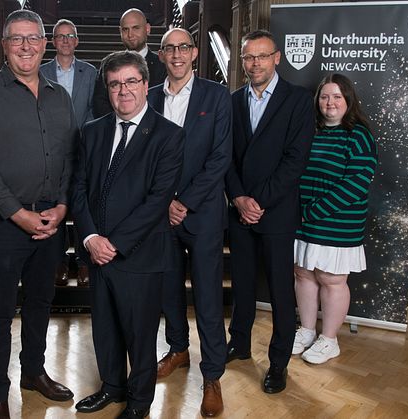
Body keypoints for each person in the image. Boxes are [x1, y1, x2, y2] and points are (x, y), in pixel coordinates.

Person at [0, 10, 77, 419]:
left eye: (34, 38)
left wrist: (62, 206)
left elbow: (67, 158)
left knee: (41, 302)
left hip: (51, 222)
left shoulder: (59, 96)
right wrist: (17, 213)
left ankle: (33, 372)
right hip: (5, 225)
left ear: (45, 43)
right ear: (4, 46)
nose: (26, 46)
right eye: (17, 39)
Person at [71, 51, 184, 419]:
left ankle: (138, 404)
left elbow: (157, 202)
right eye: (115, 83)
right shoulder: (92, 131)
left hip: (140, 255)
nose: (123, 91)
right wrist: (90, 238)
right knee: (104, 330)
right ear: (108, 88)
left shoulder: (168, 135)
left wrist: (115, 244)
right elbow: (79, 188)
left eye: (131, 82)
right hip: (96, 251)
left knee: (139, 336)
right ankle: (112, 388)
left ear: (145, 85)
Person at [146, 28, 231, 417]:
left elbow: (220, 157)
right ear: (161, 55)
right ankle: (178, 349)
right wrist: (164, 202)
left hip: (203, 213)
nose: (177, 54)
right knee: (168, 288)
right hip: (162, 216)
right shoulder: (148, 97)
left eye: (183, 47)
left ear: (194, 53)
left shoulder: (216, 95)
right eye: (169, 48)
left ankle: (212, 375)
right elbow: (144, 159)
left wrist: (184, 201)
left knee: (209, 297)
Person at [224, 29, 314, 394]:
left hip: (276, 213)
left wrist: (257, 202)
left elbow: (296, 161)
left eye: (262, 56)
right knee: (242, 284)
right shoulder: (231, 101)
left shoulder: (297, 100)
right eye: (248, 57)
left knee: (279, 290)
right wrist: (238, 198)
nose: (255, 63)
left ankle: (278, 362)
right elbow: (224, 156)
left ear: (277, 58)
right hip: (240, 210)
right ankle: (240, 343)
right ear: (242, 61)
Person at [292, 73, 378, 364]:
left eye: (337, 96)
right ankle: (305, 330)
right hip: (304, 221)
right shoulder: (311, 130)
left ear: (348, 100)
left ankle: (329, 339)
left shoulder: (359, 134)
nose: (330, 102)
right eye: (325, 96)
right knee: (303, 273)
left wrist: (315, 210)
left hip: (337, 222)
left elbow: (356, 183)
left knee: (331, 279)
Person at [39, 18, 98, 288]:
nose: (65, 40)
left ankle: (85, 262)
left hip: (84, 147)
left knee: (83, 204)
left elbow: (95, 111)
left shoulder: (90, 72)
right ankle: (60, 262)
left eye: (69, 35)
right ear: (52, 42)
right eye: (59, 36)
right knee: (56, 203)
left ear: (76, 41)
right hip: (51, 149)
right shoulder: (40, 71)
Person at [91, 8, 168, 118]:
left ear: (147, 29)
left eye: (135, 28)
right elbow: (99, 103)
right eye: (125, 29)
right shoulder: (107, 64)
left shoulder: (162, 65)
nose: (130, 35)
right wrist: (121, 124)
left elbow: (163, 102)